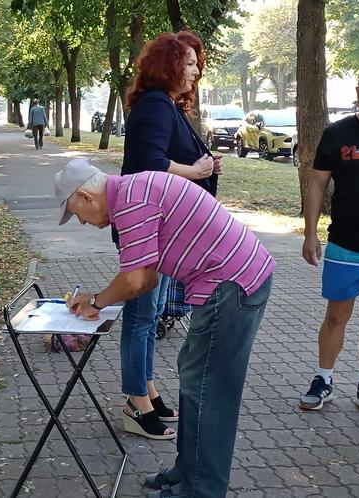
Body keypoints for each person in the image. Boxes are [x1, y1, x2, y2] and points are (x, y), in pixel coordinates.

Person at [54, 158, 274, 498]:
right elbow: (143, 276)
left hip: (230, 285)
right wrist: (98, 299)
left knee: (209, 393)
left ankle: (201, 490)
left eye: (77, 214)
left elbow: (138, 280)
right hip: (230, 281)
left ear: (85, 196)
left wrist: (96, 301)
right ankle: (188, 470)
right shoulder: (132, 192)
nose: (82, 222)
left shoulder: (130, 203)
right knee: (194, 379)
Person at [113, 30, 223, 440]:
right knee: (141, 318)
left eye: (197, 64)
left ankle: (148, 388)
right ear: (169, 65)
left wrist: (204, 165)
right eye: (190, 64)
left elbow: (171, 158)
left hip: (163, 230)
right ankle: (135, 402)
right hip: (148, 229)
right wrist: (195, 171)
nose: (196, 71)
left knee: (152, 314)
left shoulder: (166, 106)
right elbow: (149, 162)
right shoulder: (155, 107)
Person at [299, 67, 359, 418]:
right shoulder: (337, 133)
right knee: (337, 316)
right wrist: (309, 232)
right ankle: (323, 379)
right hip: (344, 245)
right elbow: (317, 184)